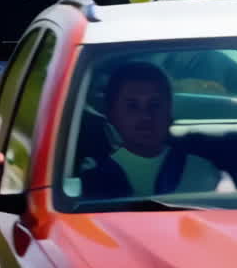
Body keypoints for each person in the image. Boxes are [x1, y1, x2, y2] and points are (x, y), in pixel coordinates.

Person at [81, 62, 224, 199]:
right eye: (132, 106)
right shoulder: (94, 176)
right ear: (112, 114)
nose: (146, 116)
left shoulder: (202, 171)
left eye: (154, 105)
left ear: (169, 112)